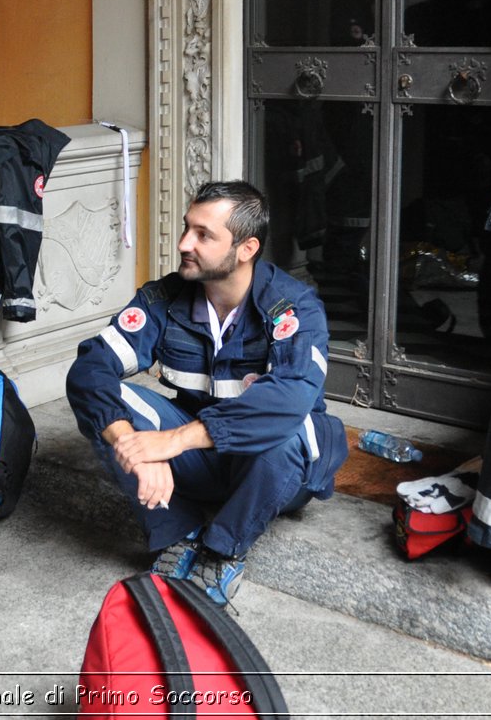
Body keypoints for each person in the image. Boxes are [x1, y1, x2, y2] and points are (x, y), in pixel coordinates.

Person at [66, 180, 348, 605]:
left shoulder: (293, 308)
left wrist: (171, 441)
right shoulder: (163, 299)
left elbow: (289, 399)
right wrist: (134, 446)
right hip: (200, 463)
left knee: (286, 429)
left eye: (203, 235)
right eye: (186, 228)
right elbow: (90, 370)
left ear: (246, 248)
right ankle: (178, 533)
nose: (184, 243)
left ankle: (222, 551)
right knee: (110, 407)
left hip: (274, 472)